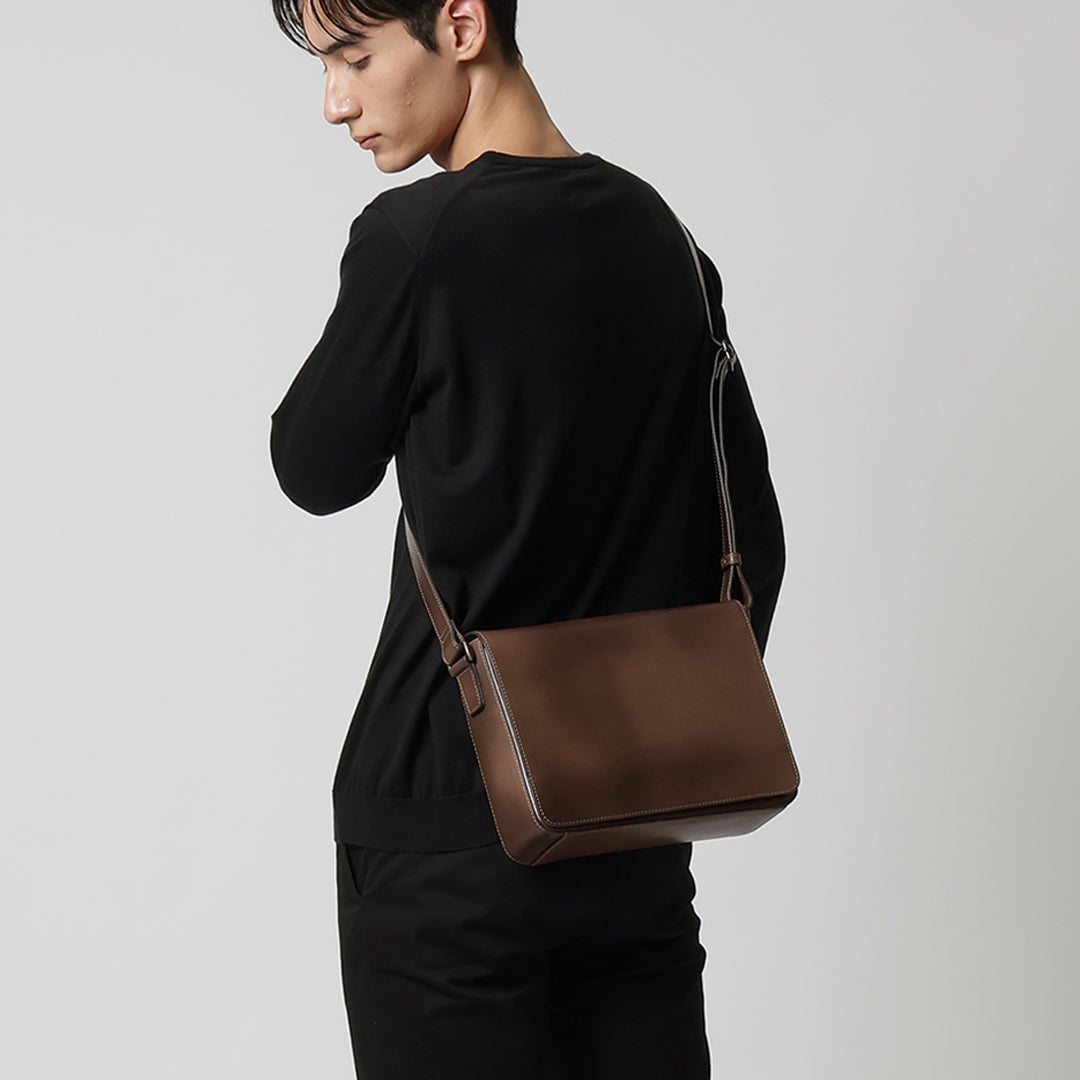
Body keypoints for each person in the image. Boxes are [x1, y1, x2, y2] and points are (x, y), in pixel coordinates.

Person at [268, 1, 786, 1077]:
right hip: (631, 832)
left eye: (354, 57)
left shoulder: (413, 239)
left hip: (443, 837)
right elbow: (755, 540)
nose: (335, 103)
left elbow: (313, 468)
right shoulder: (664, 239)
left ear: (461, 24)